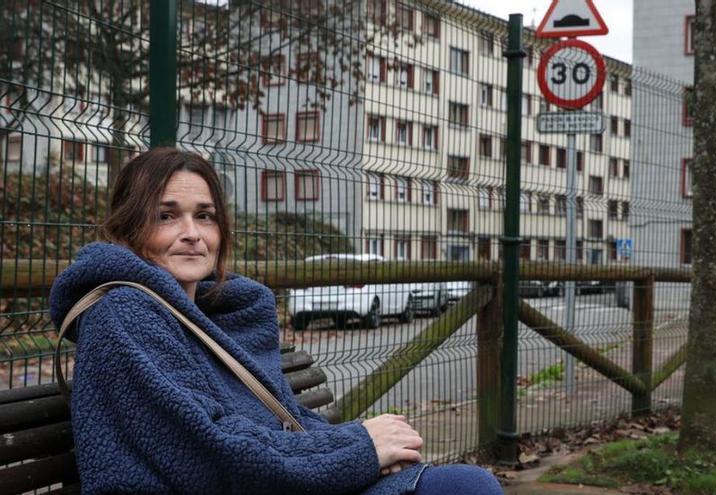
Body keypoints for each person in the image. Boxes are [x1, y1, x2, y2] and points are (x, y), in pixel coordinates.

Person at [49, 148, 503, 494]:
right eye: (165, 216)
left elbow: (281, 424)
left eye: (204, 217)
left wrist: (367, 447)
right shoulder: (121, 315)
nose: (191, 233)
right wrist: (361, 449)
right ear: (129, 228)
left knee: (464, 485)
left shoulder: (220, 317)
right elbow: (212, 454)